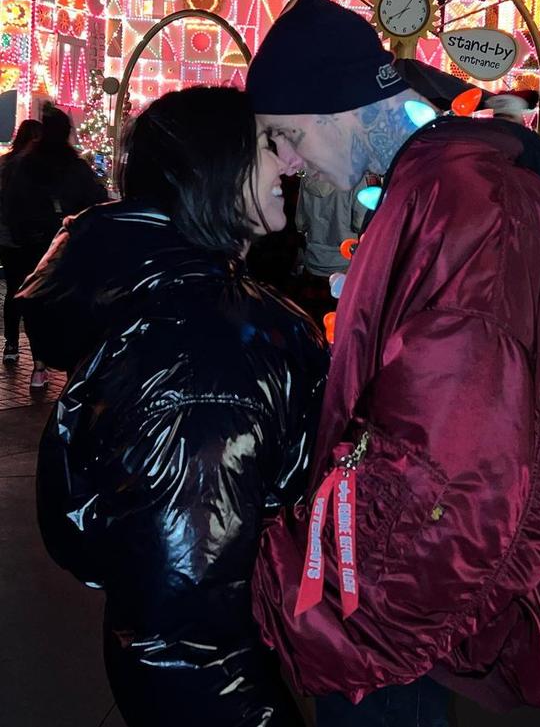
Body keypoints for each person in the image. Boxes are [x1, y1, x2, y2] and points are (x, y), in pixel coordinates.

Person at [246, 0, 540, 722]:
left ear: (338, 105)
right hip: (398, 604)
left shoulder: (460, 204)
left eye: (287, 134)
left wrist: (316, 608)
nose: (291, 162)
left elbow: (451, 474)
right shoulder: (436, 186)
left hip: (385, 620)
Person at [20, 87, 328, 727]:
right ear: (213, 169)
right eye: (274, 145)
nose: (293, 163)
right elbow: (181, 631)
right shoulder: (209, 351)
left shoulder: (194, 309)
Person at [3, 103, 107, 389]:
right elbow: (97, 200)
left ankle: (38, 365)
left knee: (32, 301)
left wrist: (22, 234)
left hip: (30, 246)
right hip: (66, 246)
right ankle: (73, 368)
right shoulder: (75, 167)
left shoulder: (26, 165)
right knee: (70, 303)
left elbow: (13, 205)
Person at [294, 176, 367, 325]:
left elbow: (300, 223)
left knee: (312, 327)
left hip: (313, 263)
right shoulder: (357, 177)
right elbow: (360, 224)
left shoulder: (307, 175)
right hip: (344, 267)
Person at [0, 118, 42, 363]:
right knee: (34, 293)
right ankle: (38, 357)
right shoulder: (34, 167)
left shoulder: (4, 163)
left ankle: (12, 344)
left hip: (6, 237)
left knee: (13, 291)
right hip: (32, 239)